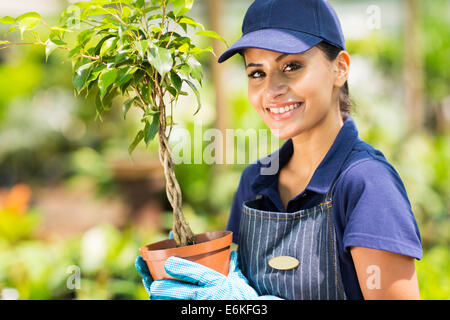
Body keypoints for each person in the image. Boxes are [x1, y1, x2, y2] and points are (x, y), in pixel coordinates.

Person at [135, 0, 422, 300]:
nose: (271, 90)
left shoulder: (367, 185)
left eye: (292, 66)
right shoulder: (255, 182)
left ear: (340, 68)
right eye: (257, 73)